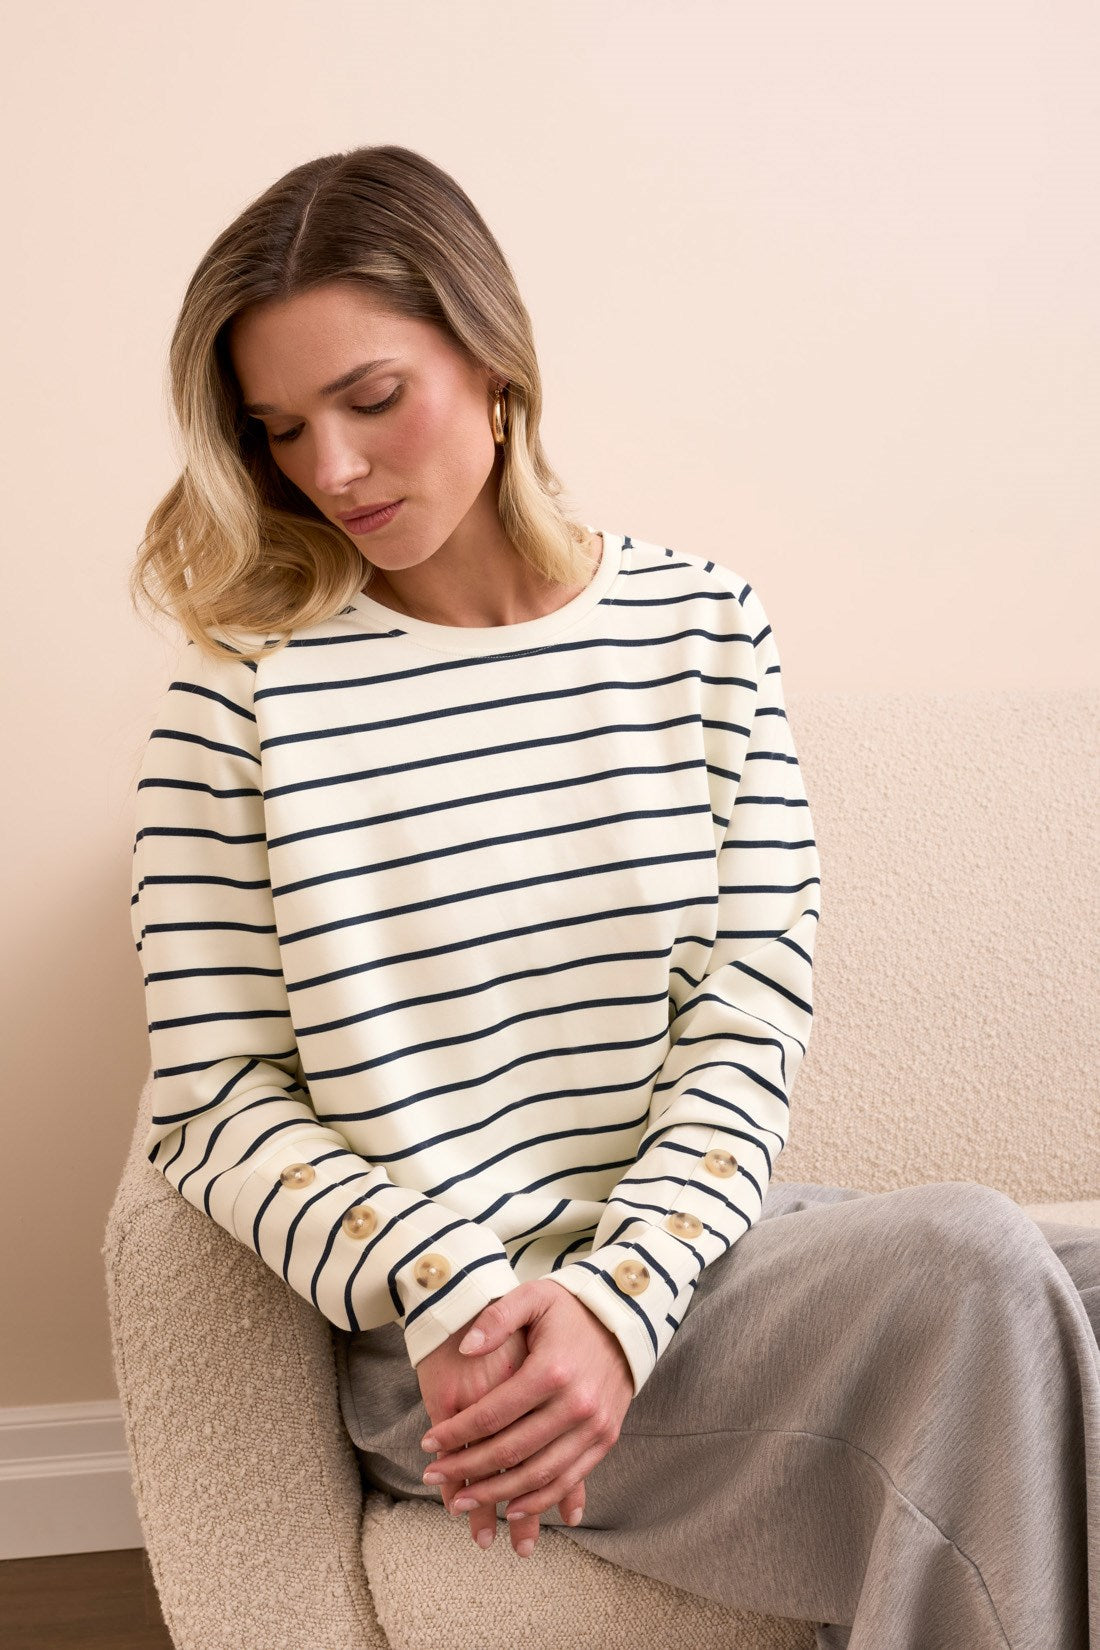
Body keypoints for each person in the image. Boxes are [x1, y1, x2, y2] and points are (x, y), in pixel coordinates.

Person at [128, 144, 1100, 1649]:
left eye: (372, 399)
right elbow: (212, 1106)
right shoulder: (239, 701)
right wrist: (451, 1285)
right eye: (282, 430)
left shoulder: (703, 628)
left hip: (697, 1267)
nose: (333, 469)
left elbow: (744, 1022)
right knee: (974, 1259)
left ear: (494, 360)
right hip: (459, 1351)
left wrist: (622, 1297)